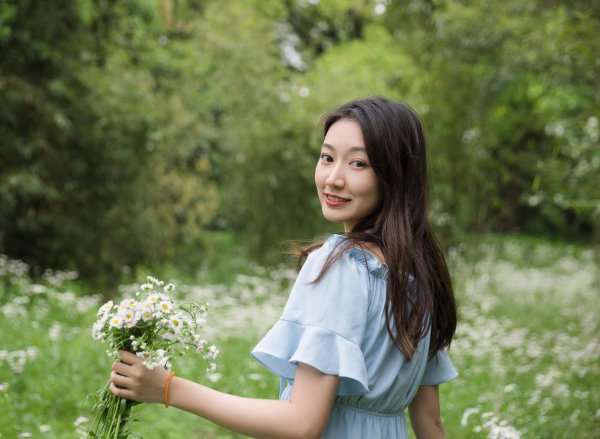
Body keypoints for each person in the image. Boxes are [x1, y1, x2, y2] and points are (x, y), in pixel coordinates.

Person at [109, 97, 458, 438]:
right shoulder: (419, 278)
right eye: (327, 157)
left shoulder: (340, 267)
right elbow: (432, 425)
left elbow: (302, 424)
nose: (333, 178)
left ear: (395, 176)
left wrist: (168, 388)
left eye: (358, 164)